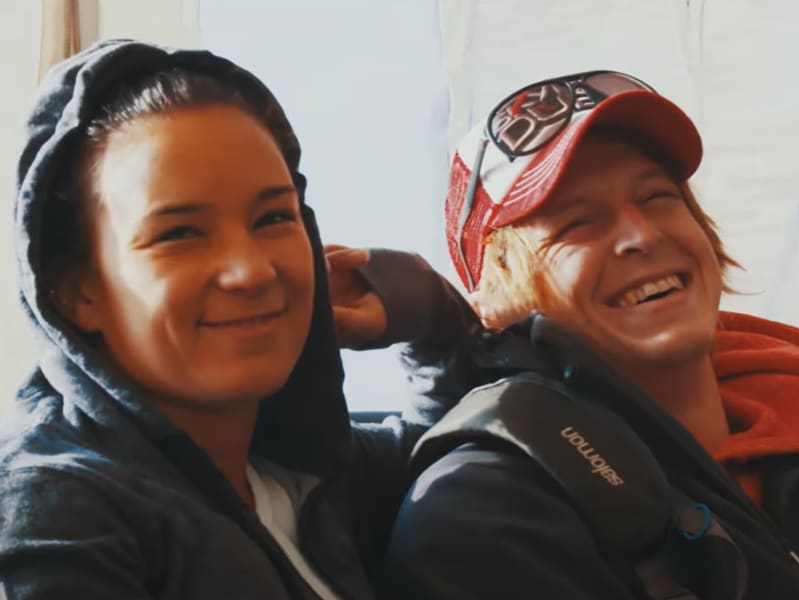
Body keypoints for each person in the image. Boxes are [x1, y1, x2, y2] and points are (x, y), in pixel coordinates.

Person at [0, 39, 469, 598]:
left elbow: (480, 441)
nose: (250, 272)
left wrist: (432, 314)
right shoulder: (57, 513)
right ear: (75, 292)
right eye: (179, 233)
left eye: (273, 217)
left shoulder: (302, 476)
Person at [381, 71, 799, 598]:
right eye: (577, 225)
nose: (641, 235)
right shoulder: (488, 509)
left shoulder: (785, 399)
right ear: (493, 303)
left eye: (656, 197)